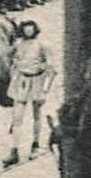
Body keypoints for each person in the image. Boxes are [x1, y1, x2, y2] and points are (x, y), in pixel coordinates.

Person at [4, 19, 54, 167]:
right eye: (25, 28)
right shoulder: (18, 44)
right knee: (17, 118)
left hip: (37, 81)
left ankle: (35, 145)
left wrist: (45, 90)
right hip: (21, 82)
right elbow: (8, 56)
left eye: (31, 28)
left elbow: (51, 69)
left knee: (36, 116)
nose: (28, 31)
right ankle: (14, 150)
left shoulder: (42, 45)